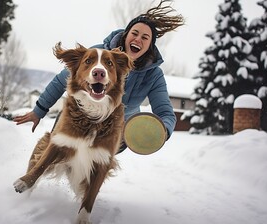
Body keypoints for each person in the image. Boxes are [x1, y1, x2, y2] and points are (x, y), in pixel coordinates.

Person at [14, 0, 185, 152]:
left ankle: (84, 183)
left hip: (115, 130)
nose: (138, 39)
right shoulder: (98, 55)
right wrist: (39, 111)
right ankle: (36, 175)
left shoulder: (153, 75)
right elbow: (61, 81)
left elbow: (165, 113)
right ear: (126, 35)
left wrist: (162, 132)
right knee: (54, 153)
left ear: (150, 46)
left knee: (89, 168)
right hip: (79, 119)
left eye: (145, 37)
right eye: (135, 33)